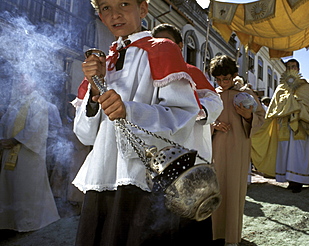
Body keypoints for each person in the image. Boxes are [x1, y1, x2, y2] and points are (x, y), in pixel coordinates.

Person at [72, 0, 200, 245]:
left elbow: (183, 117)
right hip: (103, 173)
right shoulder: (103, 63)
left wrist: (129, 111)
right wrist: (93, 93)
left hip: (143, 177)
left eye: (123, 3)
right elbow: (86, 136)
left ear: (143, 9)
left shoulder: (162, 49)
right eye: (105, 8)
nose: (115, 14)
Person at [151, 23, 223, 245]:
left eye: (168, 43)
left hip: (192, 156)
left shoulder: (190, 72)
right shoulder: (147, 72)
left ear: (180, 46)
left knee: (193, 221)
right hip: (159, 160)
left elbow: (214, 102)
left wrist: (195, 112)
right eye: (157, 45)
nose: (162, 49)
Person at [209, 55, 265, 246]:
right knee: (215, 188)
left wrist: (249, 116)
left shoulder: (245, 93)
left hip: (238, 148)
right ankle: (216, 234)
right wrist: (213, 126)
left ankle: (232, 237)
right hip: (215, 149)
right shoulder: (211, 94)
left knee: (234, 190)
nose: (222, 83)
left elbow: (261, 117)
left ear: (234, 75)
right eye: (218, 80)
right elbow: (202, 119)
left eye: (226, 79)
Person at [251, 59, 309, 193]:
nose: (291, 69)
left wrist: (293, 106)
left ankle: (299, 180)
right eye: (288, 67)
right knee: (285, 152)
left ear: (298, 69)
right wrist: (288, 105)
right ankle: (289, 179)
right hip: (285, 125)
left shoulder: (305, 86)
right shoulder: (281, 87)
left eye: (293, 67)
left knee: (299, 153)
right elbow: (275, 107)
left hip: (301, 124)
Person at [0, 74, 60, 232]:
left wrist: (16, 140)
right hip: (10, 150)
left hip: (28, 154)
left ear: (34, 82)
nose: (20, 84)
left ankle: (28, 222)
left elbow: (37, 128)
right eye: (19, 81)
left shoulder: (39, 102)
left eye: (24, 81)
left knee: (26, 189)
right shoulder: (16, 103)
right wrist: (3, 139)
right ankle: (10, 221)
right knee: (10, 186)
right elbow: (4, 123)